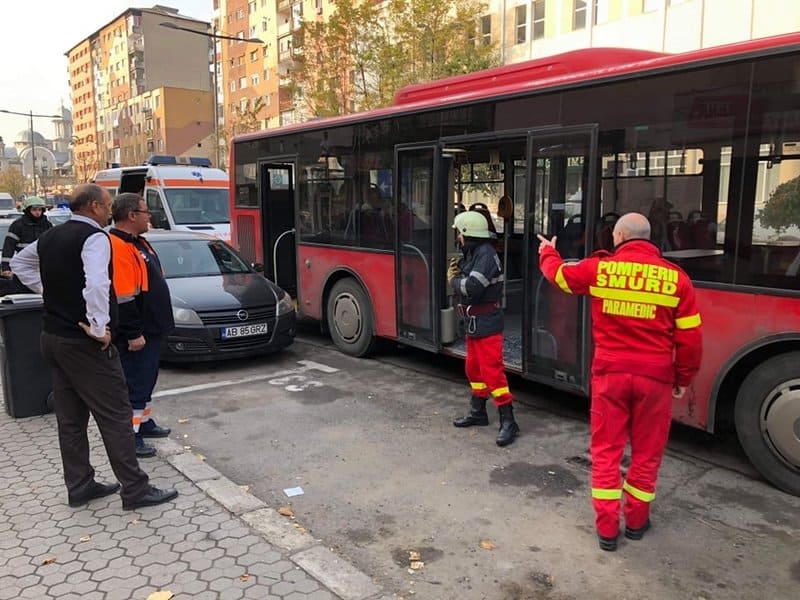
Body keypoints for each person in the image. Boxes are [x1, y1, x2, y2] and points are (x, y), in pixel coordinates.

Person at [537, 212, 702, 551]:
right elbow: (691, 340)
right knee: (647, 453)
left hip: (610, 376)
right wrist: (682, 378)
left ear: (621, 236)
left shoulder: (601, 269)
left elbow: (560, 277)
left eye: (613, 235)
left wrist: (548, 252)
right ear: (648, 237)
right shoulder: (677, 280)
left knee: (606, 453)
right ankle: (637, 523)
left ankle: (607, 531)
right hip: (655, 379)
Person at [10, 184, 178, 511]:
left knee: (70, 419)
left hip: (53, 337)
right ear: (94, 207)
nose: (109, 210)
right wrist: (99, 327)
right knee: (116, 414)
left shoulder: (51, 236)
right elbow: (99, 283)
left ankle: (80, 485)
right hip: (84, 343)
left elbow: (19, 265)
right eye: (106, 204)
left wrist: (50, 293)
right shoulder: (94, 238)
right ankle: (135, 489)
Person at [109, 193, 175, 458]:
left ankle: (144, 423)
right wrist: (133, 333)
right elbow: (125, 296)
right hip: (139, 332)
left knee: (146, 381)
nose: (150, 216)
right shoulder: (118, 246)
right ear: (131, 215)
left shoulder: (138, 242)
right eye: (146, 212)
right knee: (135, 383)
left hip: (153, 327)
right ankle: (131, 437)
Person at [448, 210, 519, 446]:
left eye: (459, 233)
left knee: (492, 372)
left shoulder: (486, 255)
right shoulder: (475, 253)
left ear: (467, 233)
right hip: (475, 324)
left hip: (487, 323)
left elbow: (472, 287)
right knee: (474, 369)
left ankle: (508, 420)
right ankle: (478, 411)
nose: (458, 237)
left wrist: (453, 280)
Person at [1, 195, 52, 276]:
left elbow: (53, 245)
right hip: (23, 265)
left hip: (42, 265)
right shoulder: (18, 225)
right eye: (34, 210)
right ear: (27, 210)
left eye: (40, 210)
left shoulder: (47, 225)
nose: (37, 212)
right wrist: (6, 267)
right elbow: (9, 246)